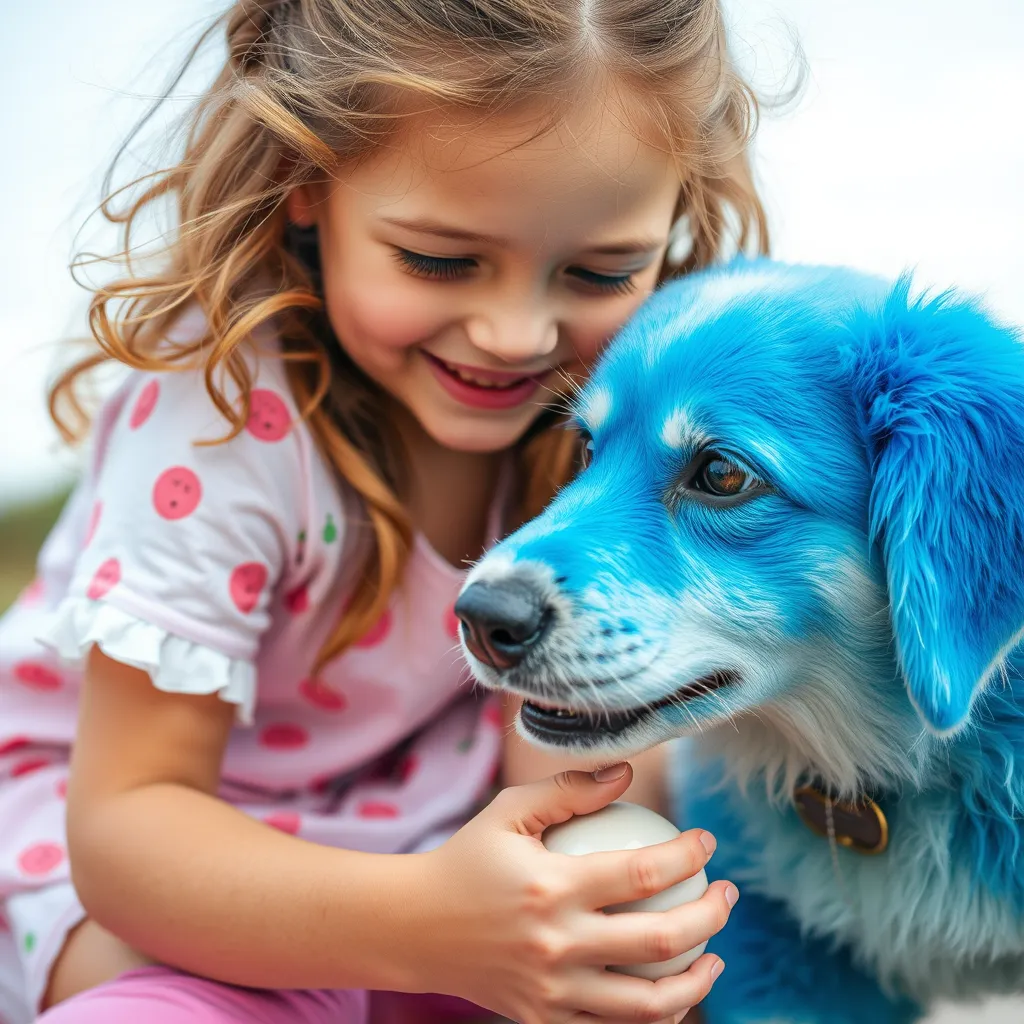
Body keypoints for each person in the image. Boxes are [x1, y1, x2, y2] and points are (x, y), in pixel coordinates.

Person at [0, 1, 769, 1021]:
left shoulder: (601, 417)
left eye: (598, 271)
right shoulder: (220, 417)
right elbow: (129, 832)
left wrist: (572, 893)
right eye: (442, 261)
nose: (514, 332)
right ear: (304, 188)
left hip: (432, 858)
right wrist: (430, 925)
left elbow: (571, 775)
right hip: (160, 889)